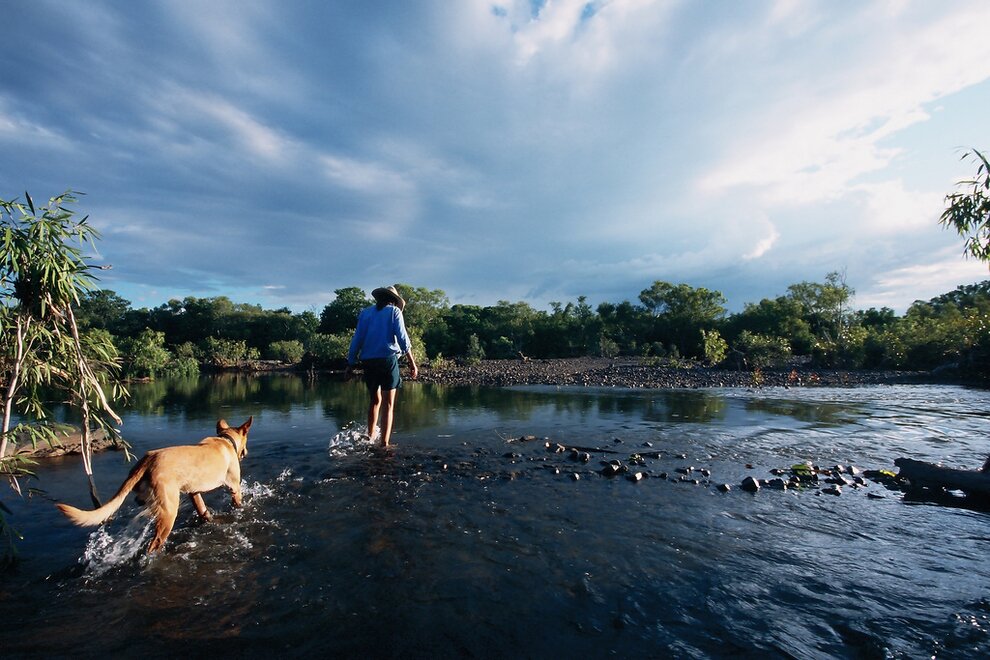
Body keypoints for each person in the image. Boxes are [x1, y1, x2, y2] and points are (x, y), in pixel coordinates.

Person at [345, 285, 419, 447]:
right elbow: (403, 339)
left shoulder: (365, 313)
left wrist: (350, 363)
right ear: (393, 300)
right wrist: (412, 362)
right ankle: (384, 444)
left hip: (369, 362)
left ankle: (370, 436)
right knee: (388, 404)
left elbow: (357, 339)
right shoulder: (394, 312)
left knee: (374, 400)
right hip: (387, 360)